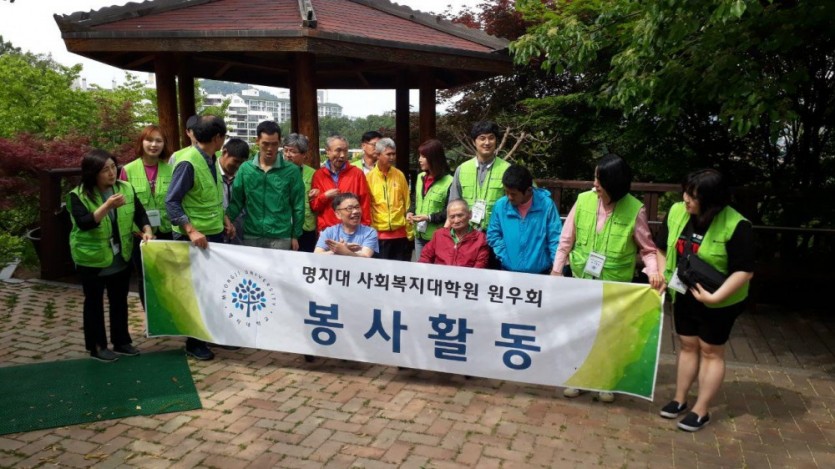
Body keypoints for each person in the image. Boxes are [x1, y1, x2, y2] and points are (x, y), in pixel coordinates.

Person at [553, 153, 664, 403]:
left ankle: (606, 380)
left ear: (614, 183)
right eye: (595, 177)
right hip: (582, 280)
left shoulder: (635, 209)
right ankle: (579, 377)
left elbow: (647, 249)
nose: (595, 184)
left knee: (609, 332)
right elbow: (566, 240)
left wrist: (653, 272)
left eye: (599, 179)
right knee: (581, 331)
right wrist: (557, 270)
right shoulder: (583, 201)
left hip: (615, 284)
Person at [656, 169, 753, 432]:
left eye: (693, 196)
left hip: (720, 299)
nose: (685, 199)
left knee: (711, 350)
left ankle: (701, 410)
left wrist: (714, 297)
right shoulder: (677, 212)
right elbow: (662, 247)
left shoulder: (737, 225)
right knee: (687, 344)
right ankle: (680, 399)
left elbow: (744, 271)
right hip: (684, 292)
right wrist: (663, 274)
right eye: (685, 193)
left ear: (711, 201)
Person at [68, 149, 154, 362]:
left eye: (113, 167)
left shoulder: (125, 188)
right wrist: (107, 206)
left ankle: (121, 341)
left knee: (119, 300)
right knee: (94, 303)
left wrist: (146, 229)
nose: (111, 173)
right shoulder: (77, 195)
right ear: (92, 173)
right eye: (104, 169)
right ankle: (97, 346)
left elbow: (139, 213)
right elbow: (85, 223)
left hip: (119, 256)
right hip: (92, 259)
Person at [165, 115, 235, 361]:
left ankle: (210, 334)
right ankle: (194, 342)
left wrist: (225, 219)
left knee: (213, 287)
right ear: (217, 138)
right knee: (197, 291)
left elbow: (210, 196)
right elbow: (171, 202)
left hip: (213, 232)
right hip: (195, 238)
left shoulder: (210, 158)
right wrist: (191, 230)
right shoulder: (188, 162)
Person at [227, 121, 305, 251]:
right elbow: (237, 202)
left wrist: (295, 235)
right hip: (251, 235)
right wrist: (227, 219)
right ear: (257, 141)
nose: (270, 148)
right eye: (265, 144)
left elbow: (298, 205)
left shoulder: (292, 171)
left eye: (274, 144)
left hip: (281, 237)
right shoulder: (246, 169)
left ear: (279, 143)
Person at [119, 125, 172, 308]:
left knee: (167, 276)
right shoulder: (128, 170)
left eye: (159, 141)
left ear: (164, 144)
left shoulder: (171, 169)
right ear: (141, 142)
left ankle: (167, 314)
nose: (154, 145)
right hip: (139, 235)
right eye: (149, 140)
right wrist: (139, 230)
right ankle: (149, 315)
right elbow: (125, 206)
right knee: (144, 276)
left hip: (166, 231)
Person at [487, 165, 562, 274]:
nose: (509, 197)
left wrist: (557, 268)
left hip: (540, 272)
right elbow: (493, 234)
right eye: (506, 192)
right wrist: (504, 255)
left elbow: (555, 238)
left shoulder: (546, 205)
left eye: (513, 194)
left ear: (528, 190)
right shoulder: (500, 205)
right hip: (508, 271)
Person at [449, 121, 510, 231]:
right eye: (482, 138)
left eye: (491, 138)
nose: (487, 142)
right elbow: (453, 205)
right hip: (467, 233)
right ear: (474, 142)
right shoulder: (462, 169)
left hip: (497, 233)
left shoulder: (507, 169)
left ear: (496, 141)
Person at [311, 135, 371, 233]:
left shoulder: (357, 174)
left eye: (345, 151)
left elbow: (364, 204)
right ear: (328, 151)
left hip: (352, 231)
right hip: (327, 231)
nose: (342, 155)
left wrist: (364, 230)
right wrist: (325, 196)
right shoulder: (319, 175)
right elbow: (314, 206)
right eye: (338, 150)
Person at [407, 139, 452, 260]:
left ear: (434, 158)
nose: (419, 159)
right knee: (420, 269)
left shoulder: (449, 181)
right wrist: (410, 212)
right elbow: (415, 200)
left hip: (437, 237)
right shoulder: (420, 177)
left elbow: (449, 212)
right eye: (419, 156)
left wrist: (429, 217)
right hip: (419, 235)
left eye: (423, 156)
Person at [366, 138, 410, 261]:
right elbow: (367, 205)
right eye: (388, 154)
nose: (392, 157)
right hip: (379, 235)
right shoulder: (369, 178)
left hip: (400, 233)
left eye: (393, 154)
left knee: (400, 269)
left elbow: (407, 202)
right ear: (378, 155)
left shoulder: (399, 175)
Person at [419, 199, 489, 268]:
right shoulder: (439, 234)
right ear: (448, 218)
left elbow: (479, 267)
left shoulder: (480, 239)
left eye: (460, 215)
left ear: (470, 214)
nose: (456, 221)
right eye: (452, 217)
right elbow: (425, 257)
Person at [283, 133, 319, 252]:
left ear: (304, 154)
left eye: (293, 151)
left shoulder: (313, 173)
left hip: (306, 227)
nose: (288, 155)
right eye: (285, 150)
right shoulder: (276, 171)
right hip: (283, 226)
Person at [314, 193, 378, 258]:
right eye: (349, 208)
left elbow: (366, 256)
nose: (355, 211)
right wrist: (337, 250)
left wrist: (345, 251)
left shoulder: (369, 232)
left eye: (357, 207)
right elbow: (316, 255)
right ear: (338, 214)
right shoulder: (328, 232)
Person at [218, 138, 250, 244]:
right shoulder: (209, 171)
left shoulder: (245, 175)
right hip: (215, 233)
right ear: (224, 152)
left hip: (238, 236)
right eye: (236, 161)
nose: (238, 166)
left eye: (241, 163)